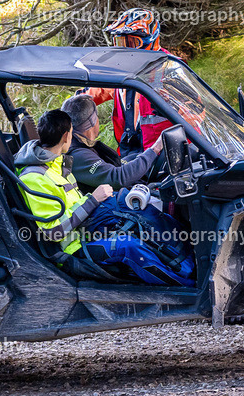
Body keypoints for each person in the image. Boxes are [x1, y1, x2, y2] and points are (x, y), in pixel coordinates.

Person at [14, 109, 193, 286]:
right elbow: (54, 232)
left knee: (137, 212)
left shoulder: (56, 162)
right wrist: (93, 199)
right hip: (74, 248)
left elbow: (73, 203)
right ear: (66, 136)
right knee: (129, 246)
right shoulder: (35, 178)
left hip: (86, 228)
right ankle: (187, 286)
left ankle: (184, 258)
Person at [85, 8, 173, 156]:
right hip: (129, 150)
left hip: (162, 154)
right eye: (120, 42)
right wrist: (69, 109)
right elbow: (95, 91)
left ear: (150, 40)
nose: (124, 49)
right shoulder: (118, 68)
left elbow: (196, 114)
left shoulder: (170, 70)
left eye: (131, 43)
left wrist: (171, 106)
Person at [61, 93, 164, 192]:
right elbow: (117, 177)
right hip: (107, 201)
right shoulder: (77, 155)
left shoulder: (82, 144)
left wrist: (143, 157)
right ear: (93, 121)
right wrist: (154, 150)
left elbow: (117, 164)